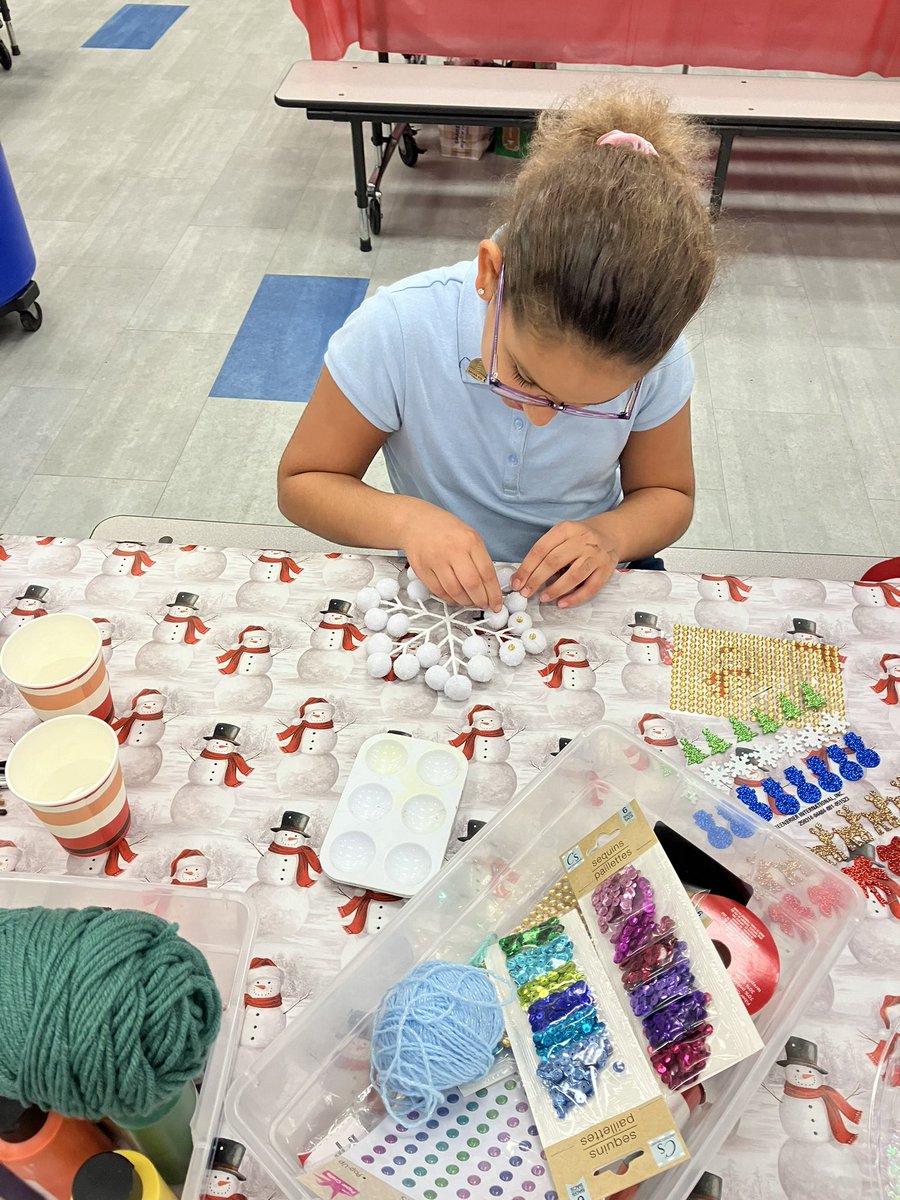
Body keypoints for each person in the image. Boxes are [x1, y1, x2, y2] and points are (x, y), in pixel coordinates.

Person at [278, 87, 717, 612]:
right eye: (525, 377)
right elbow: (303, 482)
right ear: (490, 274)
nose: (540, 418)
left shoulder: (653, 355)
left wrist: (612, 536)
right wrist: (409, 521)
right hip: (435, 576)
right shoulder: (399, 327)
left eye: (587, 403)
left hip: (587, 580)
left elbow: (668, 494)